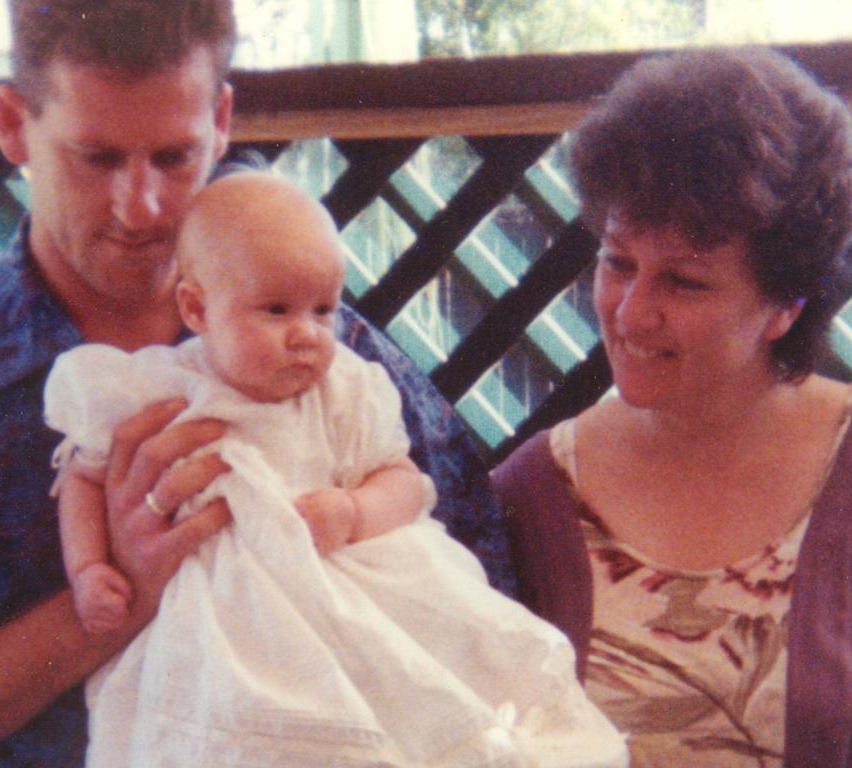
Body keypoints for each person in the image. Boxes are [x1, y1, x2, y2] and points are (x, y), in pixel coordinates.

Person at [0, 2, 510, 766]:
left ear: (221, 121)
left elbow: (480, 587)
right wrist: (115, 601)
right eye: (97, 158)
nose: (142, 206)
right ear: (15, 122)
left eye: (174, 157)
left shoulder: (323, 350)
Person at [43, 171, 626, 767]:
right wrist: (89, 568)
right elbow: (83, 477)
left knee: (415, 705)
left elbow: (405, 483)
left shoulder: (344, 390)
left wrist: (353, 511)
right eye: (275, 310)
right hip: (225, 624)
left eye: (323, 310)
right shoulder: (154, 389)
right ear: (197, 306)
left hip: (359, 594)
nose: (305, 335)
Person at [491, 47, 852, 768]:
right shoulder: (529, 497)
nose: (630, 315)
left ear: (785, 304)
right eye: (617, 262)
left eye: (685, 283)